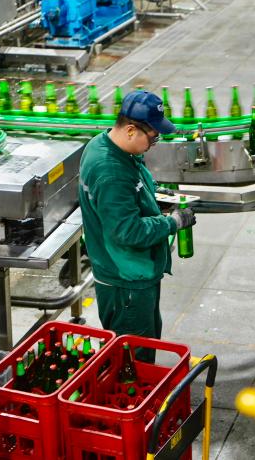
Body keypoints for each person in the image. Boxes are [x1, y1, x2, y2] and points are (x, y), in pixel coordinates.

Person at [78, 89, 195, 359]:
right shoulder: (110, 171)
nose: (154, 144)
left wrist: (155, 198)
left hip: (135, 273)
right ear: (131, 130)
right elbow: (127, 231)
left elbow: (129, 194)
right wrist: (172, 222)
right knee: (134, 362)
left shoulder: (106, 144)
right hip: (126, 281)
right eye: (153, 138)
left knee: (144, 347)